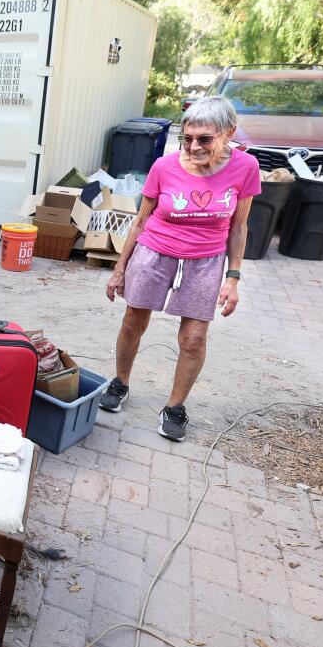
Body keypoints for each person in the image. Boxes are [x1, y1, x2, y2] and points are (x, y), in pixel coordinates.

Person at [100, 96, 261, 441]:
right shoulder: (165, 167)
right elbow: (140, 221)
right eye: (186, 138)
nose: (193, 146)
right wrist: (119, 269)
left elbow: (239, 226)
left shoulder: (245, 167)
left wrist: (233, 278)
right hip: (155, 250)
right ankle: (120, 382)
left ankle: (175, 407)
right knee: (133, 322)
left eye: (204, 138)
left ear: (229, 133)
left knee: (194, 338)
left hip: (207, 259)